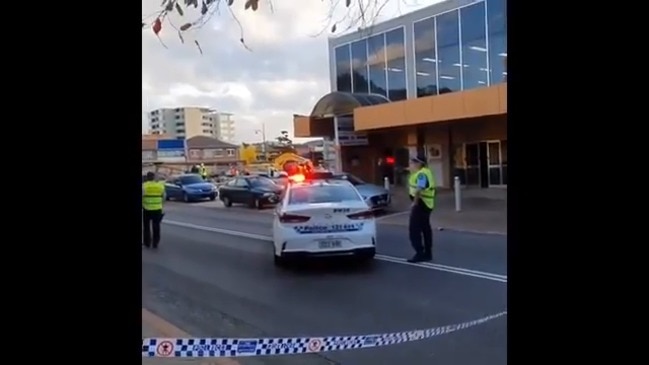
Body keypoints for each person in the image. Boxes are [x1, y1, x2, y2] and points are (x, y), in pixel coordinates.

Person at [407, 155, 436, 263]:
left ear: (419, 163)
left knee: (414, 229)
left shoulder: (421, 174)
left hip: (421, 204)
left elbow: (419, 189)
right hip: (427, 204)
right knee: (425, 228)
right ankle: (428, 253)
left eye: (412, 162)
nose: (411, 164)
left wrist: (414, 203)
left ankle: (419, 253)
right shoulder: (425, 172)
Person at [142, 172, 165, 249]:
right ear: (154, 177)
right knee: (156, 226)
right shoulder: (160, 185)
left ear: (147, 178)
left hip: (146, 208)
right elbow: (164, 196)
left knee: (146, 226)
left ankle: (147, 242)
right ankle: (155, 242)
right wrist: (162, 205)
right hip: (157, 208)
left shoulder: (144, 186)